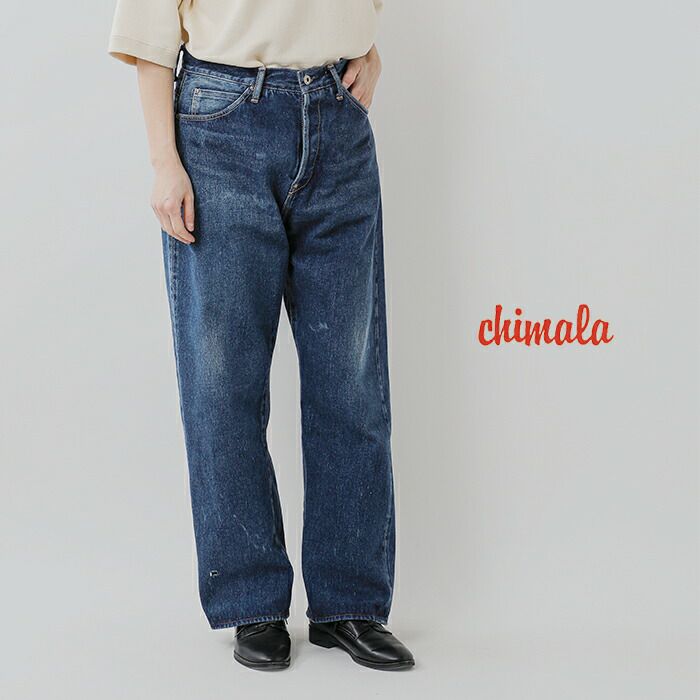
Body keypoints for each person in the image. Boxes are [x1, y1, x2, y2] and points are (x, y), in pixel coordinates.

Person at [108, 0, 414, 671]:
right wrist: (164, 161)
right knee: (223, 383)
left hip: (337, 116)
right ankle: (252, 602)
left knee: (351, 380)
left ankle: (349, 604)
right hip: (221, 124)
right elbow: (151, 35)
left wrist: (366, 47)